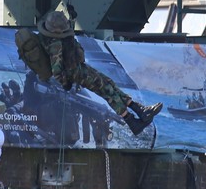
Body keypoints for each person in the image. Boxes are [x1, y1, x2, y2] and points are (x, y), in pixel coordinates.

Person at [34, 10, 162, 135]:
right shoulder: (55, 44)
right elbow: (56, 69)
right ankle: (132, 121)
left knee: (109, 83)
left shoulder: (55, 38)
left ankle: (138, 109)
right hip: (76, 73)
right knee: (107, 91)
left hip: (79, 68)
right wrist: (65, 83)